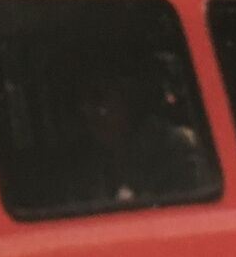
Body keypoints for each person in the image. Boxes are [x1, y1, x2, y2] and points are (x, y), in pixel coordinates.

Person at [70, 59, 208, 207]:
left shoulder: (174, 147)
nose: (88, 112)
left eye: (98, 99)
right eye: (82, 104)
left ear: (127, 98)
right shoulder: (89, 162)